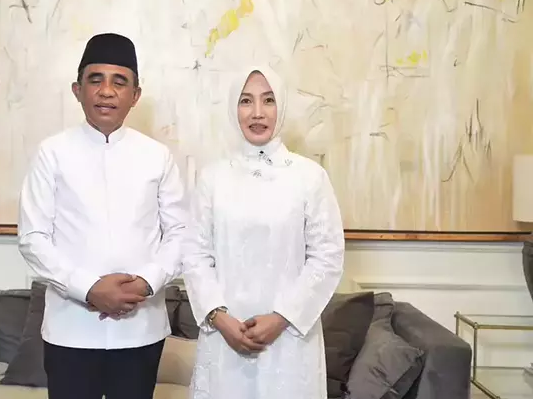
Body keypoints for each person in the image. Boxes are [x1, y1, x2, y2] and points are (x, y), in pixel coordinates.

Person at [17, 32, 188, 399]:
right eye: (96, 79)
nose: (106, 91)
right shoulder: (52, 153)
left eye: (119, 81)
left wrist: (144, 284)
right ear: (77, 90)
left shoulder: (157, 157)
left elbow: (180, 234)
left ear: (135, 95)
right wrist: (89, 289)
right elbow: (33, 239)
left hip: (140, 329)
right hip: (70, 330)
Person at [182, 65, 345, 399]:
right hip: (224, 336)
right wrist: (220, 319)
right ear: (234, 107)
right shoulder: (213, 178)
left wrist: (281, 318)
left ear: (281, 106)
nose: (257, 112)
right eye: (246, 101)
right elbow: (195, 254)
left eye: (268, 100)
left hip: (290, 339)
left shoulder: (309, 177)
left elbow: (327, 257)